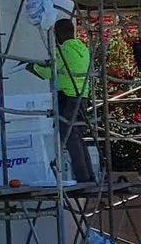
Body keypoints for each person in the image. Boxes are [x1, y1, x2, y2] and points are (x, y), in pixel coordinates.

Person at [26, 16, 96, 184]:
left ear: (59, 34)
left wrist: (32, 67)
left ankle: (83, 177)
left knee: (70, 135)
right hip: (82, 96)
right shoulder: (83, 49)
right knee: (77, 135)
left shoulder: (64, 50)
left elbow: (49, 72)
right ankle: (89, 175)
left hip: (67, 97)